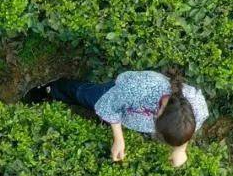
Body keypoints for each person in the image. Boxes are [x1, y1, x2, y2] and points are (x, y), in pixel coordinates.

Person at [23, 67, 208, 168]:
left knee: (108, 113)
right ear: (158, 112)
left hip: (133, 113)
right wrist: (118, 139)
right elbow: (109, 105)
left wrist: (180, 150)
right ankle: (52, 88)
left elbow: (187, 128)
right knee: (86, 95)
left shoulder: (196, 109)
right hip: (115, 94)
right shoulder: (140, 87)